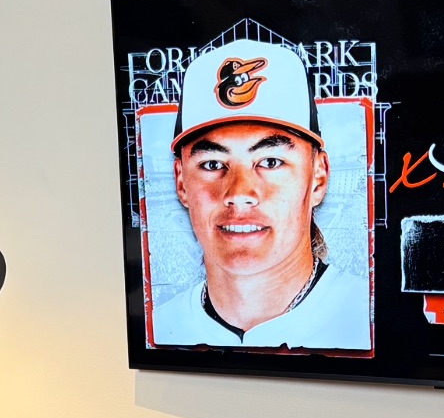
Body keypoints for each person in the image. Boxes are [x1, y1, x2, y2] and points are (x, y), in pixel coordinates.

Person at [149, 40, 370, 351]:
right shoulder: (160, 327)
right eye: (212, 164)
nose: (239, 193)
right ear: (181, 183)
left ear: (319, 176)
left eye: (270, 162)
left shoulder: (370, 318)